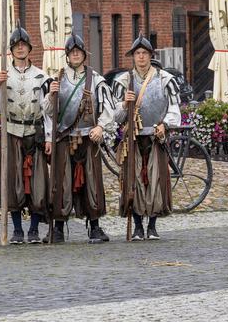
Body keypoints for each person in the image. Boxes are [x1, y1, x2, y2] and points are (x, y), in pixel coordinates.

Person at [42, 33, 117, 244]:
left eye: (79, 51)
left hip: (88, 139)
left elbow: (108, 108)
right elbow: (47, 112)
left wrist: (101, 127)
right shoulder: (56, 79)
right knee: (61, 183)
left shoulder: (97, 80)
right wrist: (50, 95)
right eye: (72, 52)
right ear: (67, 55)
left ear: (84, 54)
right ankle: (57, 228)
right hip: (64, 139)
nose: (75, 54)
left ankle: (94, 227)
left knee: (92, 182)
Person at [112, 33, 178, 240]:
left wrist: (165, 125)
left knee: (155, 181)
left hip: (155, 138)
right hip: (132, 139)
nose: (141, 57)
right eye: (137, 53)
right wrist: (124, 103)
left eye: (144, 53)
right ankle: (138, 226)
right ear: (133, 56)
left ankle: (152, 226)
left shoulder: (165, 80)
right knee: (133, 183)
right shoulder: (123, 81)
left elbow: (175, 109)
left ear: (150, 55)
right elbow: (115, 116)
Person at [0, 25, 49, 245]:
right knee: (12, 182)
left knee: (36, 183)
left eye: (23, 45)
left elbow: (48, 111)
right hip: (11, 133)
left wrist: (49, 137)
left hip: (34, 133)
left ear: (29, 48)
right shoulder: (3, 74)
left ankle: (33, 229)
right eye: (16, 45)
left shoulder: (41, 76)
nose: (20, 48)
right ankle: (16, 229)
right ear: (11, 50)